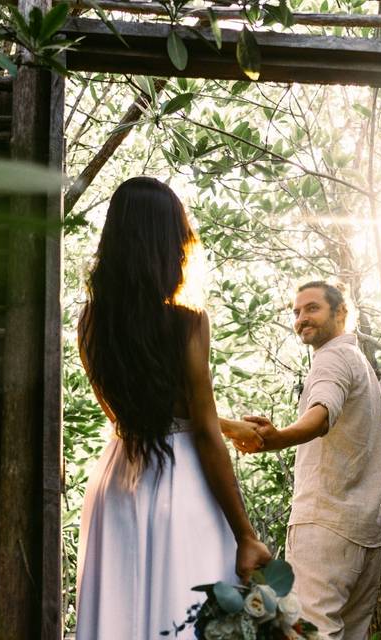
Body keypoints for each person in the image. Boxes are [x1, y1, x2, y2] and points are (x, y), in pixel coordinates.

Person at [75, 177, 270, 639]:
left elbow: (133, 414)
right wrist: (245, 534)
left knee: (122, 617)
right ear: (169, 242)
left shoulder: (90, 321)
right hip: (181, 486)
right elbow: (198, 429)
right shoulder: (187, 323)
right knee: (188, 614)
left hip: (117, 484)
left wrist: (231, 424)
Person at [232, 281, 381, 640]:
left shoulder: (332, 358)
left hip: (324, 523)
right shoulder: (360, 364)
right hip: (365, 532)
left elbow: (321, 415)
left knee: (309, 634)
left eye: (312, 308)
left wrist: (278, 438)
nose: (301, 318)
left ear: (341, 313)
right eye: (296, 312)